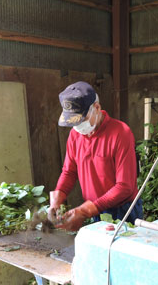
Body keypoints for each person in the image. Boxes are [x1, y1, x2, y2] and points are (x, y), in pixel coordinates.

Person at [48, 81, 143, 231]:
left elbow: (125, 186)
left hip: (123, 210)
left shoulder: (120, 133)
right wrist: (57, 198)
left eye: (81, 120)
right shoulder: (75, 135)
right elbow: (69, 171)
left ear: (96, 108)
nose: (78, 127)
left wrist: (85, 211)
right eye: (74, 122)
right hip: (94, 209)